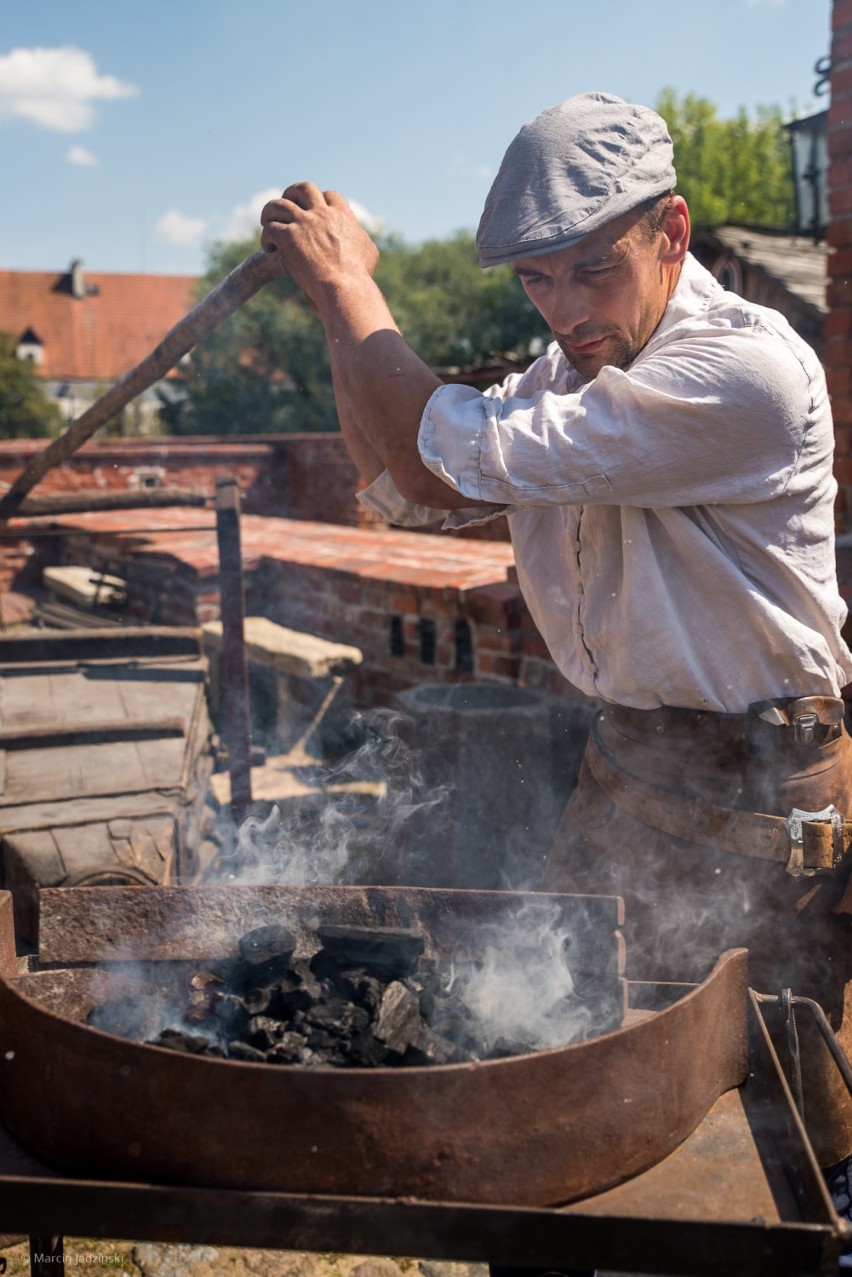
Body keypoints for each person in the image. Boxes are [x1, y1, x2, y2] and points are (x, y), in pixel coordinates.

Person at [260, 90, 852, 1194]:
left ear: (670, 231)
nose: (565, 307)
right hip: (628, 771)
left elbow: (440, 456)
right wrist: (331, 309)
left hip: (766, 798)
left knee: (775, 1142)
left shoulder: (741, 372)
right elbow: (405, 485)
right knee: (557, 1094)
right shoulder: (567, 372)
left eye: (593, 266)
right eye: (538, 278)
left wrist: (349, 285)